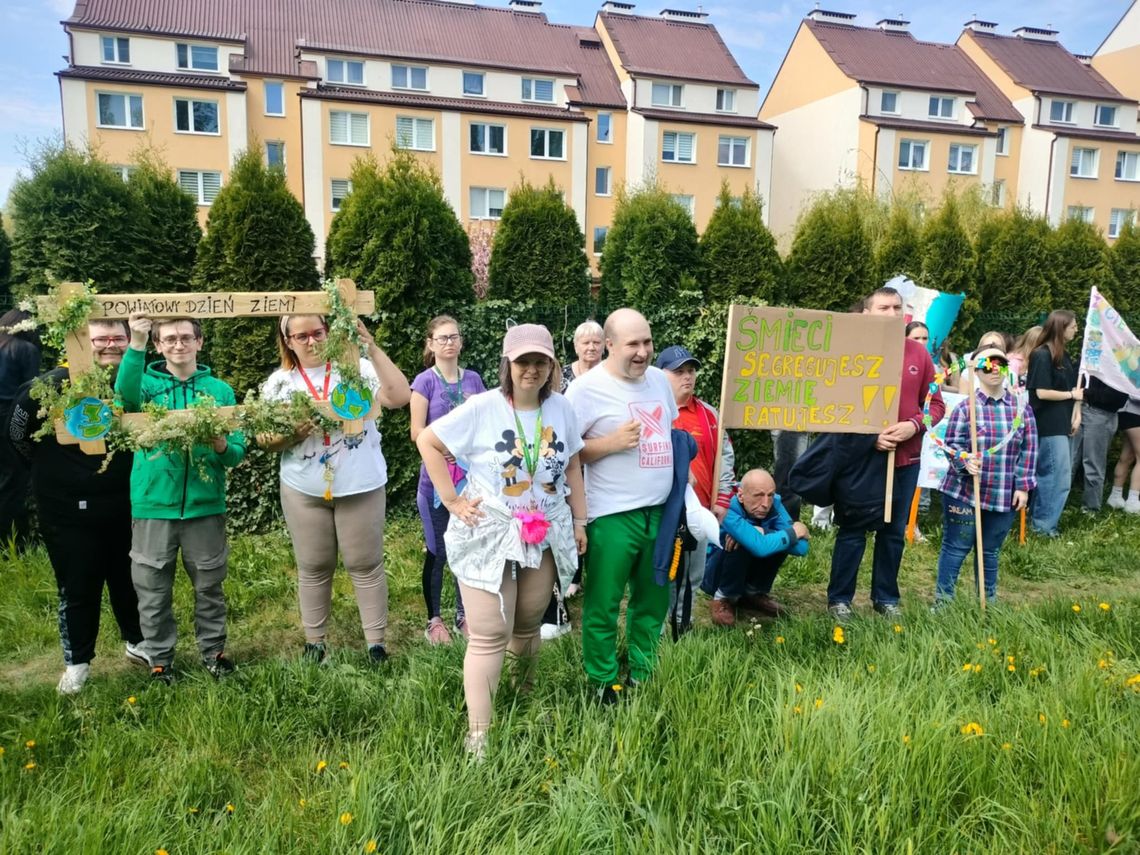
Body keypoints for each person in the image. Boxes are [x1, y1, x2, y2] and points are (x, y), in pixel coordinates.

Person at [416, 323, 586, 756]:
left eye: (540, 362)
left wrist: (580, 522)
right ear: (507, 365)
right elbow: (429, 441)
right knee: (490, 630)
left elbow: (571, 467)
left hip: (544, 527)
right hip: (490, 529)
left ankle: (522, 701)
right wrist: (452, 500)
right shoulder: (482, 407)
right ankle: (479, 734)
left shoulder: (563, 410)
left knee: (529, 622)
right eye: (523, 361)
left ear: (551, 366)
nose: (531, 370)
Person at [4, 318, 147, 694]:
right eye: (99, 339)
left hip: (125, 503)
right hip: (65, 509)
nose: (109, 345)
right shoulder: (48, 386)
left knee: (128, 578)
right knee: (78, 585)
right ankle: (78, 662)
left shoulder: (133, 383)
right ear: (80, 340)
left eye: (118, 337)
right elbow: (18, 437)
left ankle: (137, 641)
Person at [261, 314, 410, 664]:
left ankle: (376, 645)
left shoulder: (356, 369)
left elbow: (400, 396)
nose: (311, 342)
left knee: (365, 563)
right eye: (301, 336)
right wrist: (291, 434)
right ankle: (315, 644)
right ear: (288, 341)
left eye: (318, 332)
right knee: (313, 565)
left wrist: (370, 347)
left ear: (329, 332)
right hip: (304, 489)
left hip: (360, 484)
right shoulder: (280, 383)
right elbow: (264, 439)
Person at [116, 314, 247, 683]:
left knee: (209, 584)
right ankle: (160, 661)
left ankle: (214, 653)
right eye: (169, 338)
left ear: (200, 342)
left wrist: (222, 444)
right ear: (158, 345)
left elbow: (237, 452)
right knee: (153, 587)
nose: (178, 344)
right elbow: (123, 401)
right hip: (153, 504)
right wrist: (135, 344)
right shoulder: (144, 386)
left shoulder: (219, 391)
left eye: (186, 337)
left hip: (206, 506)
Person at [565, 308, 678, 702]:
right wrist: (610, 444)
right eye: (633, 344)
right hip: (611, 514)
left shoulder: (661, 383)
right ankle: (604, 681)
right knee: (604, 603)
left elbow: (670, 434)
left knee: (653, 598)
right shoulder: (584, 390)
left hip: (660, 513)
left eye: (647, 342)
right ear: (609, 345)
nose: (643, 352)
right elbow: (565, 453)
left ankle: (643, 670)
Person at [827, 287, 944, 620]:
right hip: (861, 462)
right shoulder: (848, 354)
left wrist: (914, 425)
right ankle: (839, 600)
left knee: (893, 533)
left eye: (897, 307)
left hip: (905, 461)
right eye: (884, 307)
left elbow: (935, 404)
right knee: (852, 530)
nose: (892, 314)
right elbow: (834, 409)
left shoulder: (919, 356)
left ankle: (885, 598)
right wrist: (870, 439)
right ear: (867, 313)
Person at [933, 346, 1038, 604]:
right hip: (964, 493)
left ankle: (987, 603)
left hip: (1003, 493)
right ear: (976, 371)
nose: (993, 369)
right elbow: (952, 445)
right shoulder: (965, 408)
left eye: (1000, 364)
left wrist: (1023, 486)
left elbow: (1030, 449)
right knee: (956, 548)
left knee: (989, 551)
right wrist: (964, 461)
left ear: (1006, 369)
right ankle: (943, 603)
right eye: (987, 364)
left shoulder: (1021, 410)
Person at [409, 315, 485, 645]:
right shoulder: (424, 382)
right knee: (438, 551)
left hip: (471, 482)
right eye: (442, 338)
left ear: (461, 341)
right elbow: (416, 432)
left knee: (467, 549)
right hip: (436, 486)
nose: (449, 343)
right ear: (430, 344)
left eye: (454, 337)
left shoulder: (474, 380)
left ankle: (463, 615)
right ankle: (434, 620)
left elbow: (486, 424)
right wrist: (445, 447)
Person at [654, 344, 735, 634]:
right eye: (678, 372)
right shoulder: (652, 411)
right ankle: (656, 630)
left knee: (692, 573)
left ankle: (682, 624)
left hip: (698, 510)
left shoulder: (710, 414)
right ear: (660, 375)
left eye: (690, 371)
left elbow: (725, 460)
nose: (687, 377)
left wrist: (723, 499)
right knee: (662, 571)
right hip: (660, 510)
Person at [702, 469, 808, 626]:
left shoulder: (775, 504)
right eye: (758, 496)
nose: (765, 504)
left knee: (782, 542)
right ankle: (724, 597)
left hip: (748, 565)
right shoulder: (726, 506)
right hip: (714, 573)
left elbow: (801, 548)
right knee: (745, 542)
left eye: (770, 495)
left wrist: (765, 532)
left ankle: (753, 594)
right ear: (741, 495)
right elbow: (760, 547)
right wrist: (788, 533)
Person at [1026, 310, 1080, 536]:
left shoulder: (1063, 355)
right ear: (1061, 327)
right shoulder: (1041, 354)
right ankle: (1043, 527)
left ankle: (1043, 523)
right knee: (1055, 476)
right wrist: (1071, 396)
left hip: (1063, 422)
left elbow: (1075, 392)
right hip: (1048, 424)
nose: (1076, 329)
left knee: (1059, 476)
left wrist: (1076, 414)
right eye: (1073, 325)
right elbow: (1041, 392)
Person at [0, 309, 42, 548]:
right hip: (7, 418)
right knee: (13, 482)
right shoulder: (26, 350)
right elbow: (31, 393)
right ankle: (12, 543)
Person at [1069, 377, 1128, 512]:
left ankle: (1090, 509)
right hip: (1079, 408)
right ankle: (1055, 506)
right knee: (1068, 461)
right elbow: (1077, 372)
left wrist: (1086, 392)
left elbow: (1117, 397)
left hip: (1102, 414)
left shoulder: (1119, 363)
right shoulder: (1089, 356)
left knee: (1093, 465)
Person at [1107, 396, 1140, 513]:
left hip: (1128, 412)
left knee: (1127, 456)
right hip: (1134, 413)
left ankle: (1115, 496)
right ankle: (1133, 500)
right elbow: (1134, 393)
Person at [561, 320, 604, 390]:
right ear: (576, 346)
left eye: (596, 342)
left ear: (604, 345)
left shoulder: (614, 375)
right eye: (586, 343)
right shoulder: (562, 375)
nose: (591, 348)